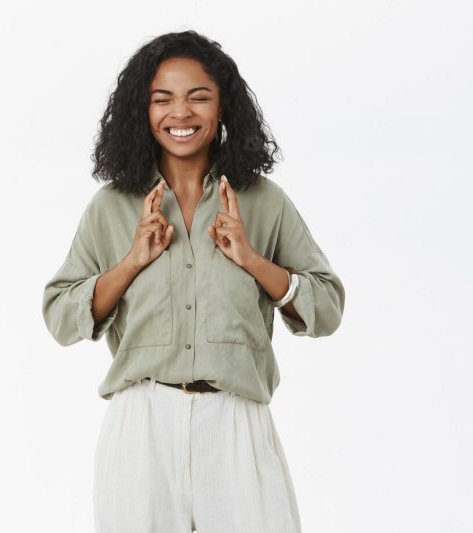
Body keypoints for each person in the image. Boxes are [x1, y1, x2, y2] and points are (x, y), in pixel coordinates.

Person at [42, 30, 345, 533]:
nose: (180, 113)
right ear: (143, 110)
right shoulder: (112, 207)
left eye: (198, 97)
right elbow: (59, 315)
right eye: (162, 99)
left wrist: (252, 259)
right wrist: (131, 262)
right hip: (141, 426)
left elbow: (328, 308)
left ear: (223, 106)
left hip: (236, 422)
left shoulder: (263, 201)